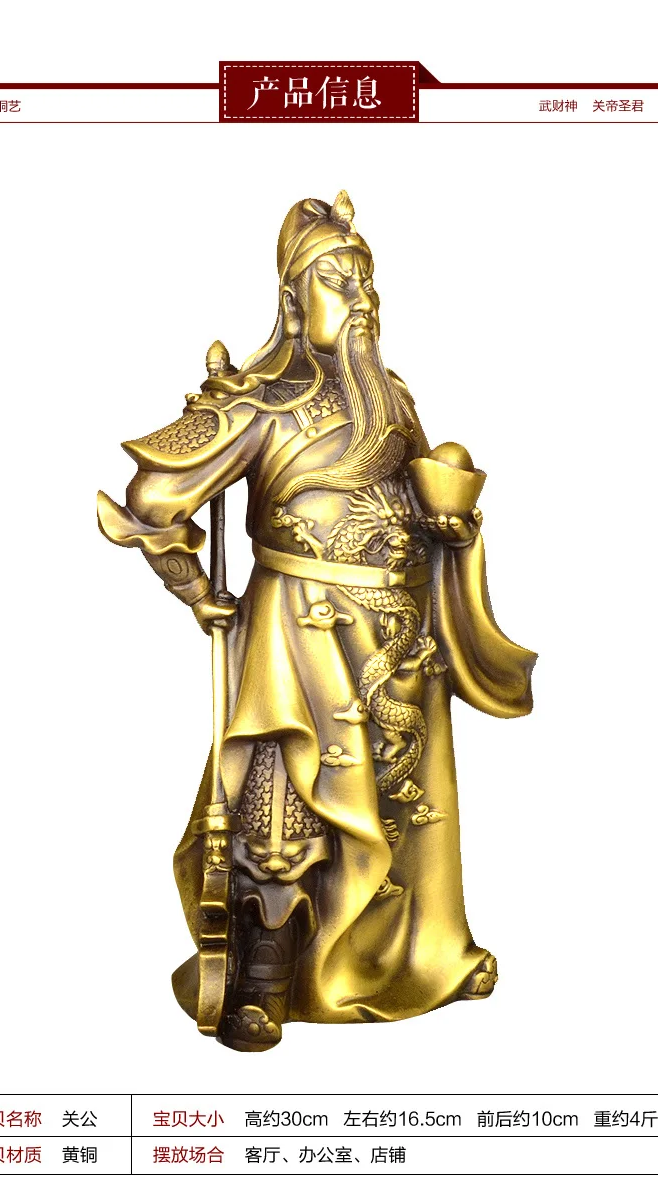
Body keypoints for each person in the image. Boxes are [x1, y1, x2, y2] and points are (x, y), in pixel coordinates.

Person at [97, 191, 536, 1052]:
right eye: (338, 278)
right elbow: (150, 499)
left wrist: (449, 524)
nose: (361, 295)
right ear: (294, 300)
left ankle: (413, 957)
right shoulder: (258, 402)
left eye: (367, 278)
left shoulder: (392, 398)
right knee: (285, 805)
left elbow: (419, 489)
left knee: (404, 808)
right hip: (301, 629)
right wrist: (195, 586)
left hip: (398, 634)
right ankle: (263, 979)